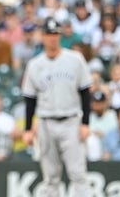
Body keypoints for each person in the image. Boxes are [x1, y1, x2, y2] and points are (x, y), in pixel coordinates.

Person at [21, 18, 92, 197]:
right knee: (50, 176)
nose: (52, 38)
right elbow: (30, 99)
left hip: (71, 120)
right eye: (48, 34)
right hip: (46, 122)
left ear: (59, 36)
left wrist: (85, 123)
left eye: (55, 34)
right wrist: (28, 128)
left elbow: (85, 92)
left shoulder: (75, 59)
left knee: (78, 174)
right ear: (43, 36)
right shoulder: (35, 64)